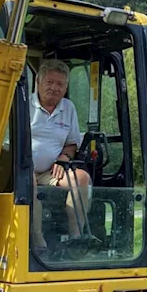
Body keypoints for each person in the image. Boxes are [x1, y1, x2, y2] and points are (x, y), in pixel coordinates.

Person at [29, 59, 91, 249]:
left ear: (65, 88)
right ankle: (38, 240)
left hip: (51, 171)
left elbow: (71, 144)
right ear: (38, 82)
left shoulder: (68, 108)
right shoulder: (24, 104)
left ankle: (76, 237)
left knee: (82, 178)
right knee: (26, 181)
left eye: (60, 84)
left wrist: (63, 159)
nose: (54, 88)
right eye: (50, 82)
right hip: (22, 168)